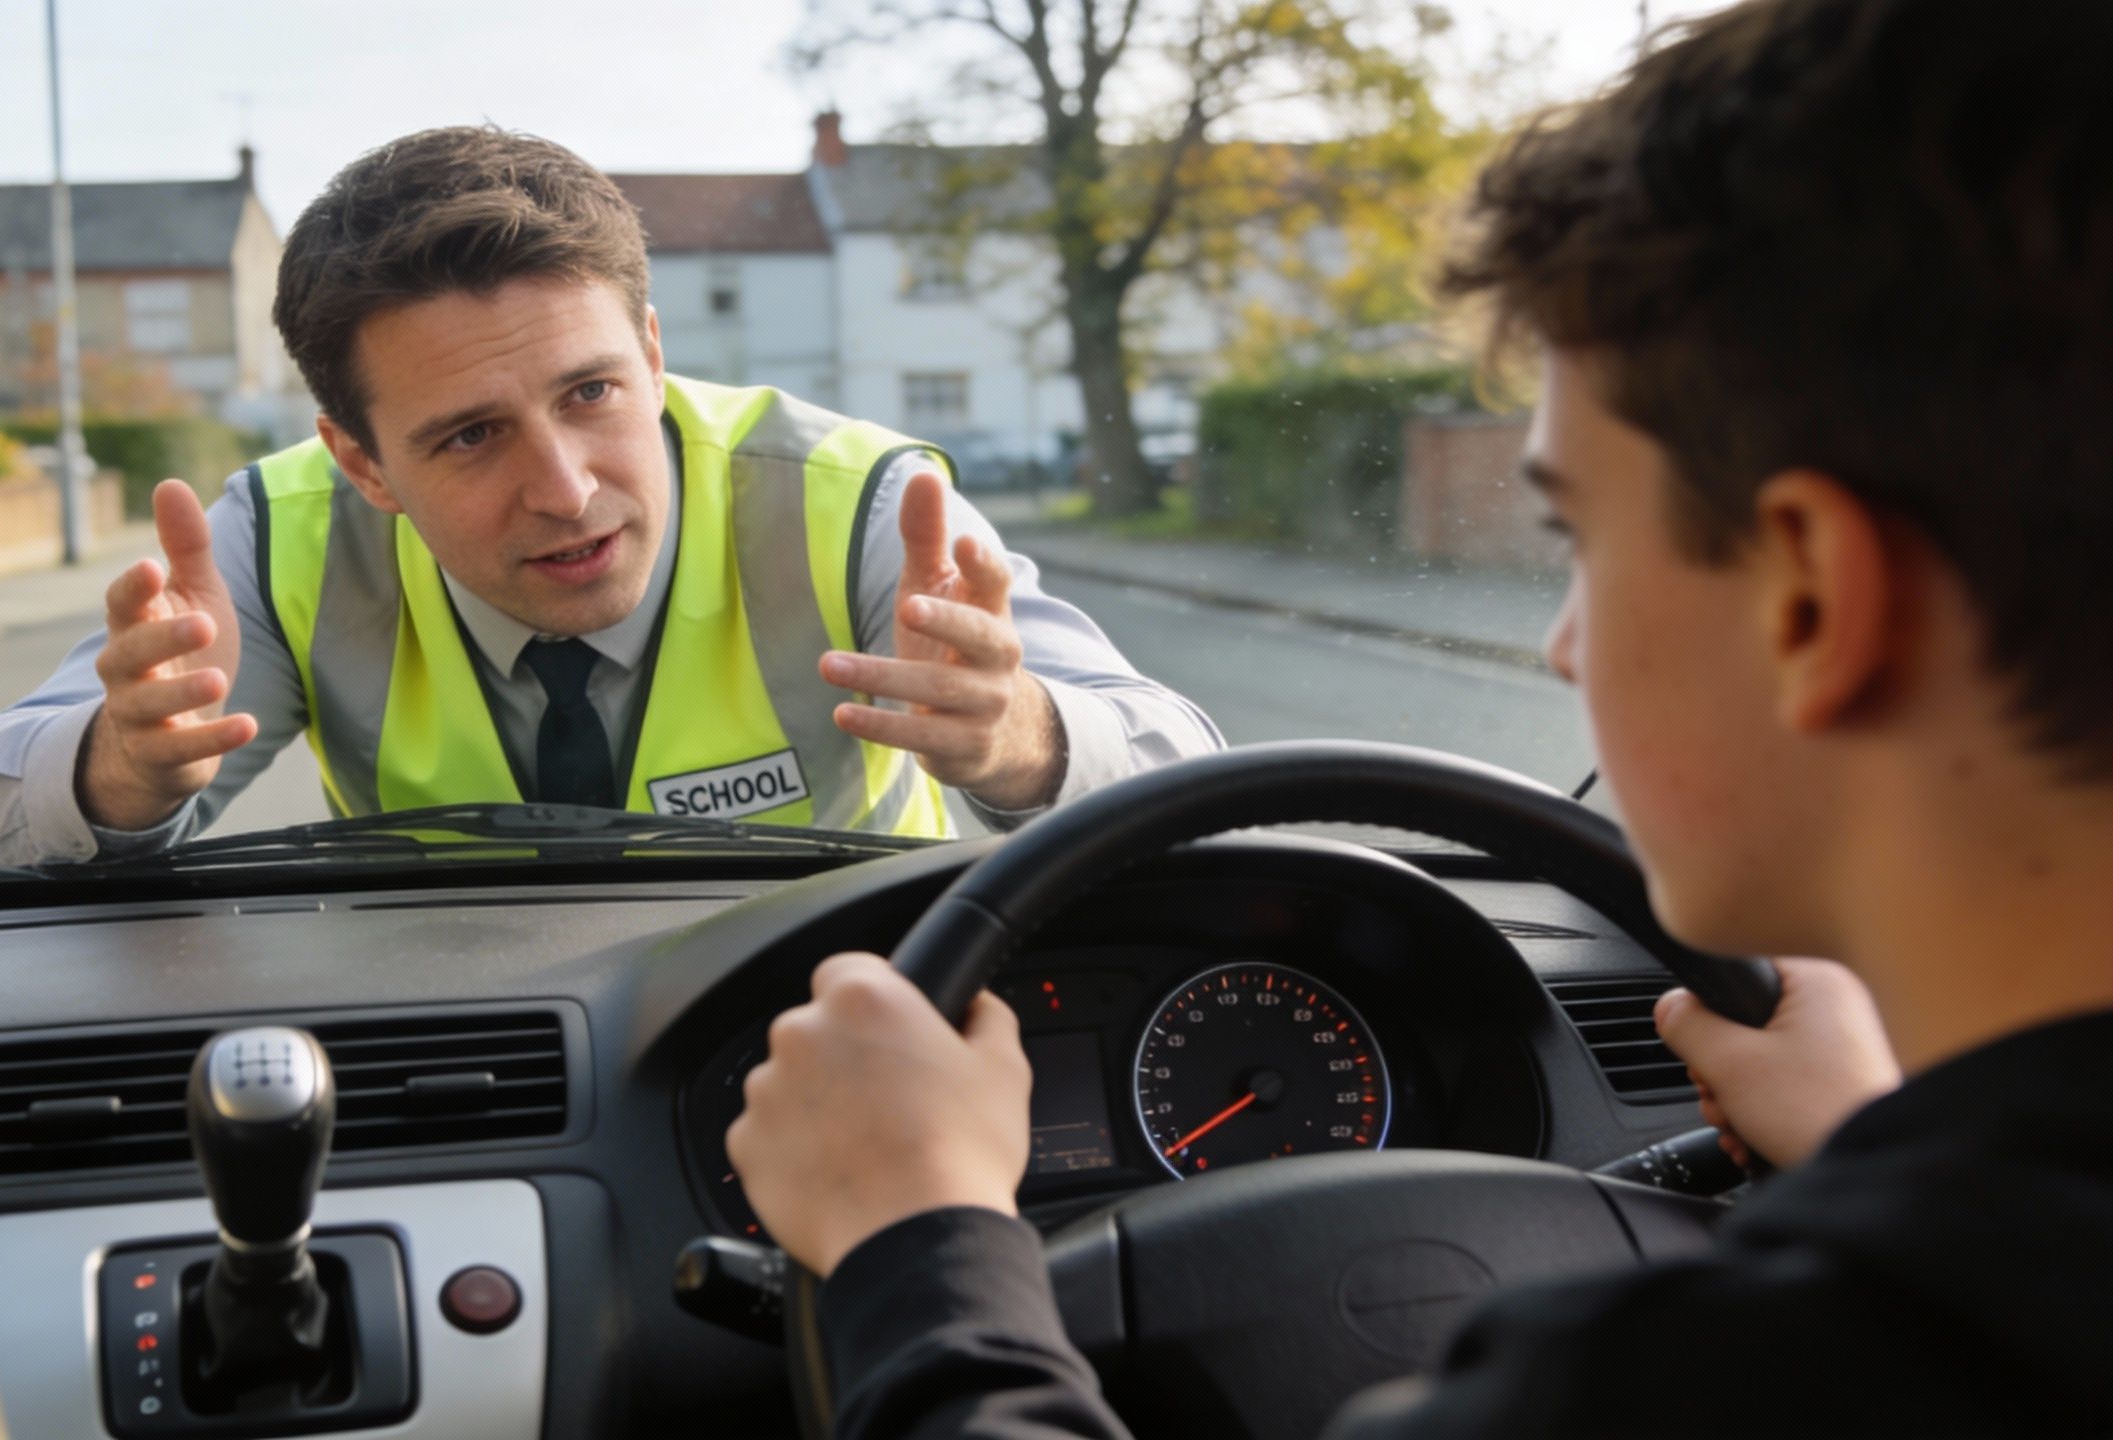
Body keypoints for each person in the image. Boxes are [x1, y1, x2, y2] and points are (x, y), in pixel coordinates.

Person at [724, 0, 2113, 1434]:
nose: (1565, 647)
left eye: (1578, 537)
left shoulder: (1686, 1384)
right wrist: (1864, 1150)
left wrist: (916, 1242)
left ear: (1811, 602)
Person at [0, 129, 1220, 868]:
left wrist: (1023, 741)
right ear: (360, 460)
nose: (565, 489)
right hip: (458, 1044)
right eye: (472, 436)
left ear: (655, 353)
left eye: (595, 393)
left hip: (845, 1022)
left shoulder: (868, 504)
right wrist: (117, 770)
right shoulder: (275, 539)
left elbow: (1186, 773)